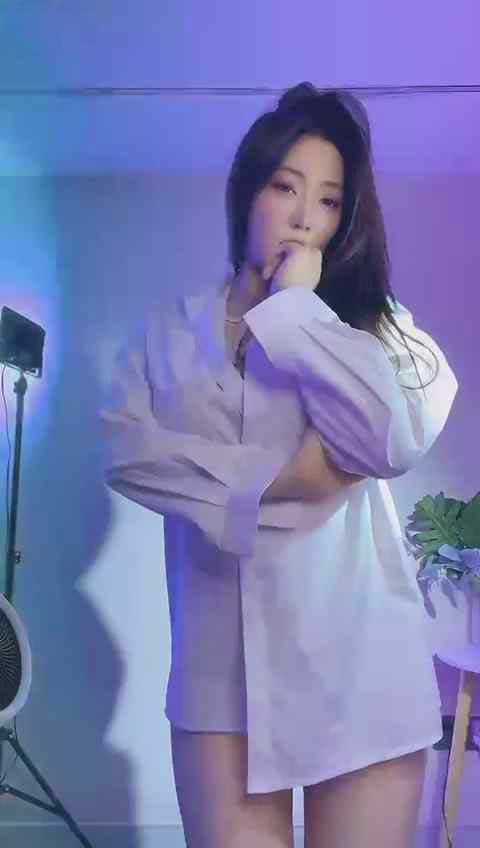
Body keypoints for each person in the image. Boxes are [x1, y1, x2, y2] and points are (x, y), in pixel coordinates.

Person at [100, 82, 459, 847]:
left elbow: (389, 441)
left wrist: (296, 312)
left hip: (361, 666)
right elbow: (126, 451)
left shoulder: (377, 327)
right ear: (248, 190)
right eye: (285, 187)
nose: (303, 216)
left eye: (329, 201)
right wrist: (278, 484)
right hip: (219, 681)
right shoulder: (170, 331)